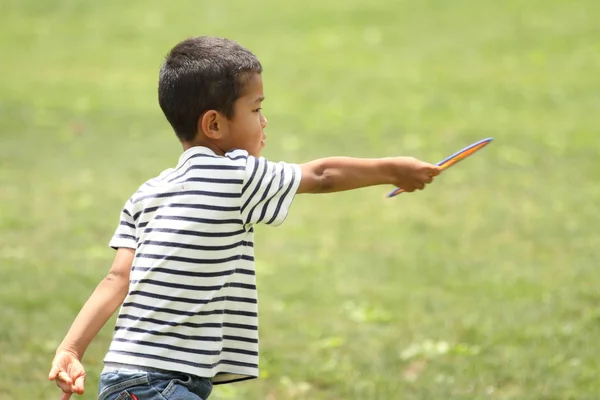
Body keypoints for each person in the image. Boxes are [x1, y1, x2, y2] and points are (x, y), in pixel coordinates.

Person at [48, 36, 441, 400]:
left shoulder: (148, 192)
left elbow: (117, 278)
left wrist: (71, 348)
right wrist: (393, 169)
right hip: (159, 384)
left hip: (125, 377)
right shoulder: (235, 174)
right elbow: (322, 176)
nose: (264, 121)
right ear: (214, 124)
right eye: (256, 109)